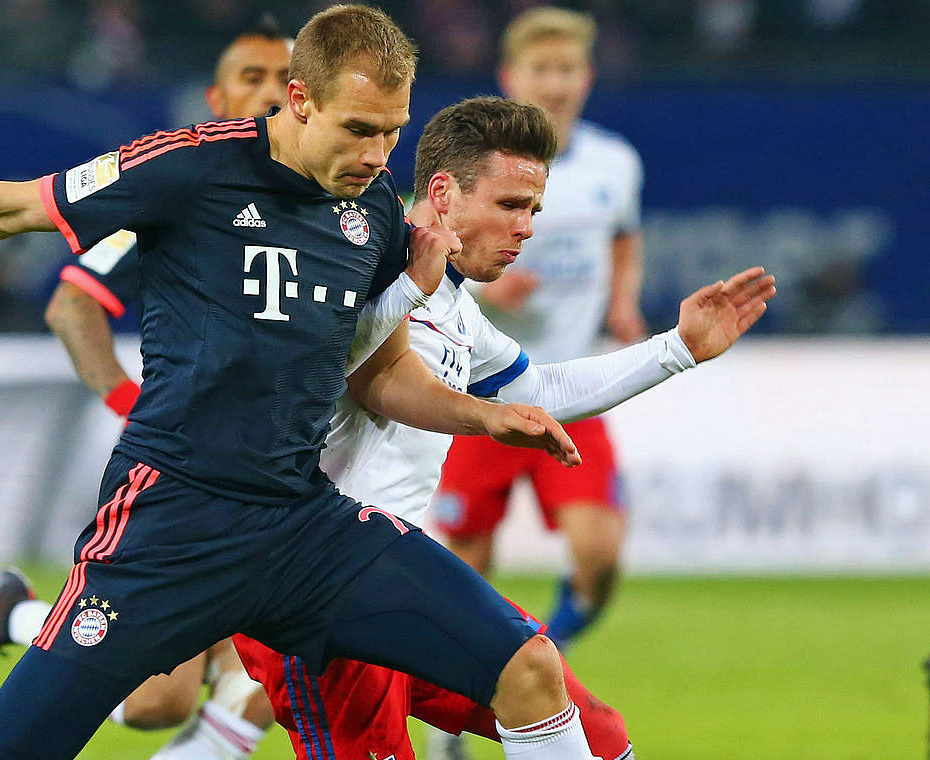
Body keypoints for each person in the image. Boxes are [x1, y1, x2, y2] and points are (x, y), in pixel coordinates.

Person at [0, 7, 597, 760]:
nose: (377, 153)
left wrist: (484, 417)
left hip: (303, 527)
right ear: (298, 99)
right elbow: (11, 208)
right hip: (170, 525)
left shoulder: (368, 214)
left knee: (528, 667)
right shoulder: (189, 166)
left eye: (393, 131)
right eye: (358, 130)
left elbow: (381, 371)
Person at [233, 95, 774, 760]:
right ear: (442, 192)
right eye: (511, 206)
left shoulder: (456, 310)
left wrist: (676, 349)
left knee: (588, 725)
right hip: (315, 594)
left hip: (390, 575)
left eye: (534, 211)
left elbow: (539, 388)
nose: (526, 229)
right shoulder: (355, 269)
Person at [0, 18, 292, 760]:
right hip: (189, 478)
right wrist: (130, 404)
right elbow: (73, 301)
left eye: (285, 81)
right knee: (162, 700)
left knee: (258, 681)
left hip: (285, 476)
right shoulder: (183, 190)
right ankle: (16, 614)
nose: (270, 94)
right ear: (215, 96)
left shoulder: (334, 195)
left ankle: (12, 615)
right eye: (252, 78)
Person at [435, 6, 648, 654]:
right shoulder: (471, 163)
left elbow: (625, 236)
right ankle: (457, 722)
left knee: (600, 555)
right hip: (481, 389)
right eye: (541, 69)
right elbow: (425, 249)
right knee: (466, 561)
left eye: (568, 68)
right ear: (510, 76)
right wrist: (485, 283)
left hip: (571, 387)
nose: (555, 84)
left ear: (587, 76)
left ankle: (541, 655)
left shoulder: (614, 163)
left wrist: (623, 299)